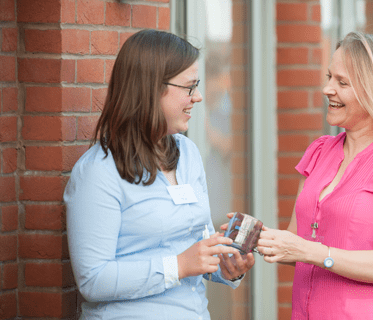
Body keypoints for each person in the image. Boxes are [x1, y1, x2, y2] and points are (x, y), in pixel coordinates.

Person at [64, 29, 254, 320]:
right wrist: (178, 265)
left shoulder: (187, 153)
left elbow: (194, 253)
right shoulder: (98, 172)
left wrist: (226, 267)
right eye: (189, 87)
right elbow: (93, 280)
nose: (199, 97)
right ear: (151, 88)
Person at [256, 31, 373, 319]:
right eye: (329, 77)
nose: (327, 89)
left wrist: (311, 252)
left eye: (342, 82)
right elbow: (298, 242)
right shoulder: (320, 152)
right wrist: (259, 240)